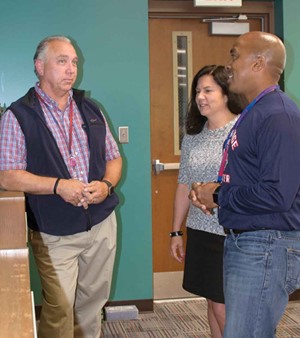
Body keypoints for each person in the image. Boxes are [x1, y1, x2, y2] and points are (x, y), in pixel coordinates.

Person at [0, 35, 122, 338]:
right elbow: (7, 176)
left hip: (101, 224)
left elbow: (114, 159)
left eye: (74, 62)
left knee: (93, 305)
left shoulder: (91, 108)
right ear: (39, 67)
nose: (71, 69)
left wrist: (106, 185)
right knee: (60, 308)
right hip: (53, 231)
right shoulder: (18, 115)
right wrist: (59, 186)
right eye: (62, 61)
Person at [190, 31, 300, 338]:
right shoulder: (256, 112)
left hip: (265, 245)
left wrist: (219, 195)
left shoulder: (278, 115)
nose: (229, 65)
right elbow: (252, 178)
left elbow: (277, 194)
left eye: (234, 55)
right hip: (249, 242)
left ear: (259, 63)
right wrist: (212, 191)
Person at [170, 65, 243, 338]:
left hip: (231, 233)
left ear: (226, 94)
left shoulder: (242, 130)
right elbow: (183, 184)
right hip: (201, 232)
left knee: (226, 308)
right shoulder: (193, 136)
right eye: (197, 91)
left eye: (208, 90)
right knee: (212, 304)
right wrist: (176, 231)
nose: (200, 96)